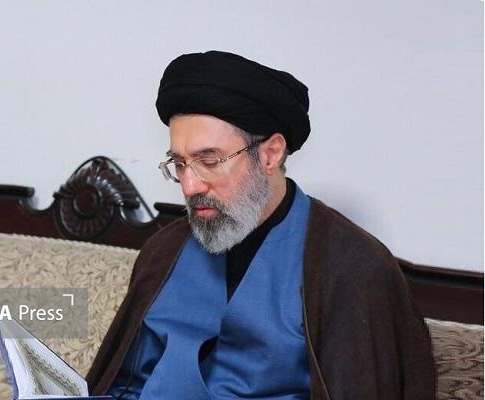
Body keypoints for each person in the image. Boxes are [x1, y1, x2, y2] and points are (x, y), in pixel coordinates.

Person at [86, 51, 435, 399]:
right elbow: (122, 384)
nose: (190, 186)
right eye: (179, 163)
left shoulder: (353, 268)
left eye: (209, 161)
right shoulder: (164, 250)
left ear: (270, 154)